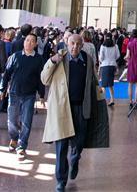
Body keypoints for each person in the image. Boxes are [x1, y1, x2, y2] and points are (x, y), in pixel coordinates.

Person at [41, 34, 100, 192]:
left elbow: (93, 80)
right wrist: (52, 61)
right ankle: (61, 180)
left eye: (78, 44)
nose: (75, 47)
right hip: (62, 108)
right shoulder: (59, 58)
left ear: (82, 45)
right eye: (72, 43)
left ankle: (75, 159)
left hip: (81, 108)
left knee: (79, 143)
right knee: (61, 146)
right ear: (66, 43)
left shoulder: (87, 59)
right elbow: (44, 79)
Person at [0, 33, 44, 156]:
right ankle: (14, 138)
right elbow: (6, 75)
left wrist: (42, 95)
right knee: (12, 120)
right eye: (27, 40)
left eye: (32, 41)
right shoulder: (15, 56)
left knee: (26, 121)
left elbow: (40, 78)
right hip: (14, 93)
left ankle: (22, 145)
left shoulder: (38, 59)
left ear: (35, 44)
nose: (29, 43)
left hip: (30, 94)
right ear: (24, 42)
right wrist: (1, 90)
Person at [98, 34, 119, 106]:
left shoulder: (103, 46)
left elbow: (101, 57)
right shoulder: (115, 46)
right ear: (112, 38)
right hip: (112, 65)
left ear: (105, 37)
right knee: (110, 84)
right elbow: (118, 55)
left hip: (105, 65)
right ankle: (112, 99)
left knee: (104, 84)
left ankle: (103, 100)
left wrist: (101, 60)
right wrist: (113, 59)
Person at [125, 29, 137, 106]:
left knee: (130, 84)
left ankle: (130, 101)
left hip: (131, 64)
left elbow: (127, 56)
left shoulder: (129, 44)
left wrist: (127, 59)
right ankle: (136, 102)